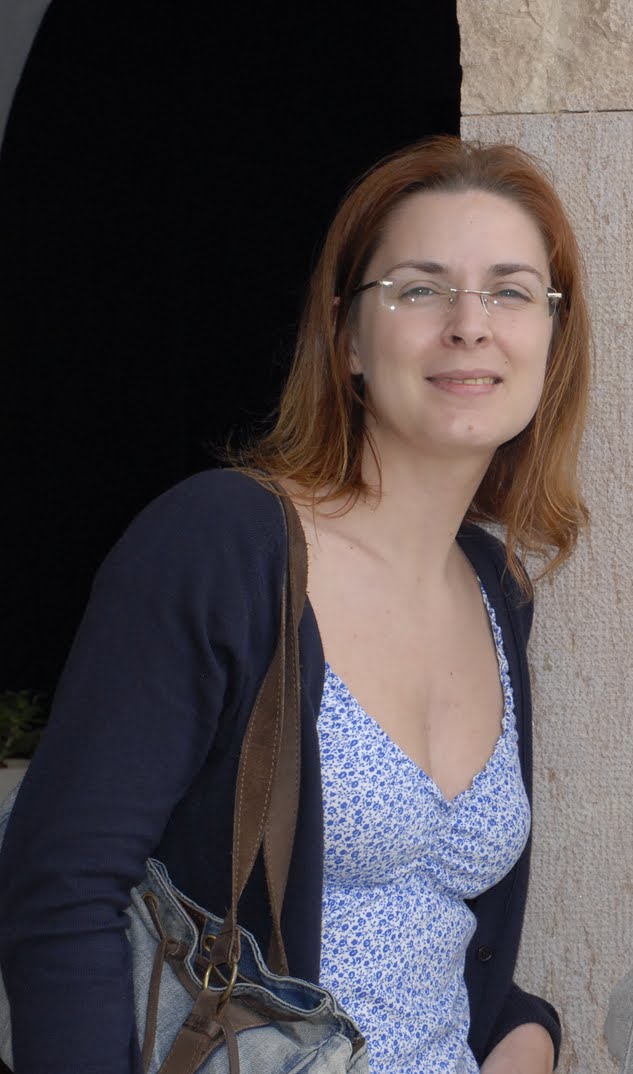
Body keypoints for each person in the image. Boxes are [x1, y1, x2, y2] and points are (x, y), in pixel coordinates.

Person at [0, 135, 590, 1074]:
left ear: (553, 343)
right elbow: (59, 890)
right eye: (420, 288)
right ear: (347, 338)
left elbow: (434, 932)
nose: (470, 325)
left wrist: (527, 1034)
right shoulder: (223, 545)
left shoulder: (494, 588)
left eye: (511, 292)